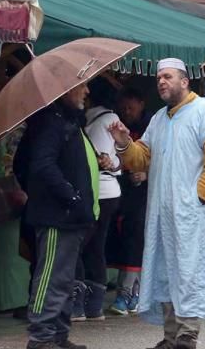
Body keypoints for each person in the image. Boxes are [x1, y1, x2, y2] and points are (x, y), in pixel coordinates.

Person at [108, 59, 205, 349]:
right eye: (159, 77)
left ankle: (187, 336)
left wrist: (195, 199)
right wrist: (124, 142)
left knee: (189, 271)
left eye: (168, 77)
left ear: (184, 81)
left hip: (192, 214)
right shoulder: (159, 119)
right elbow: (141, 159)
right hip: (162, 214)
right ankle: (171, 337)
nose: (161, 81)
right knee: (165, 270)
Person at [14, 81, 100, 349]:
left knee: (64, 280)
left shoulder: (68, 121)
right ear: (65, 89)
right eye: (82, 86)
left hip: (72, 217)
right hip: (56, 217)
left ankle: (59, 335)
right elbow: (42, 165)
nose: (87, 92)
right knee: (50, 277)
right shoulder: (49, 122)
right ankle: (41, 337)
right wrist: (70, 195)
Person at [78, 85, 122, 320]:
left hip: (101, 192)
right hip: (106, 191)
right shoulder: (104, 119)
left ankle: (85, 304)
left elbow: (115, 158)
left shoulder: (103, 121)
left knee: (88, 245)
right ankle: (92, 305)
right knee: (95, 246)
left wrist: (111, 163)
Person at [109, 87, 150, 316]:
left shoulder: (153, 126)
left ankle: (129, 293)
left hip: (145, 195)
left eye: (130, 108)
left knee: (137, 237)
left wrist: (147, 173)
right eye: (123, 107)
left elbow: (164, 158)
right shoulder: (118, 126)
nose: (126, 112)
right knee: (124, 238)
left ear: (142, 104)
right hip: (122, 192)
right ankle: (129, 291)